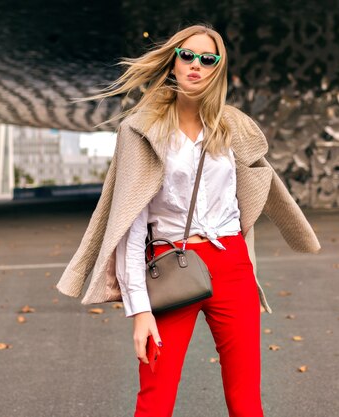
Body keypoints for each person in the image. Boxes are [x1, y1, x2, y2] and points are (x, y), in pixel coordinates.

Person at [56, 23, 321, 417]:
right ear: (173, 62)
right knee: (155, 398)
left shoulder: (233, 127)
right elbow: (130, 224)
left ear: (219, 69)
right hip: (171, 266)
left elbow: (250, 195)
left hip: (232, 265)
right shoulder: (141, 130)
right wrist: (139, 310)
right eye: (188, 55)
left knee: (247, 401)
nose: (196, 65)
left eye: (208, 58)